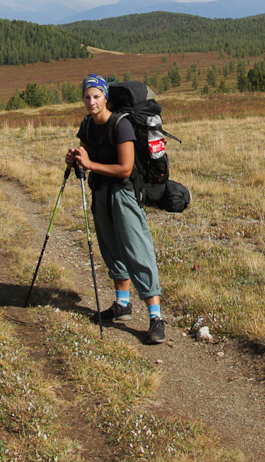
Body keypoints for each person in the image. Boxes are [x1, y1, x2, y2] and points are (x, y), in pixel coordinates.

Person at [67, 74, 167, 344]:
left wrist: (89, 165)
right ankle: (122, 305)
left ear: (105, 97)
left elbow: (125, 167)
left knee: (137, 249)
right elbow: (87, 153)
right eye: (87, 97)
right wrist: (76, 160)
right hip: (101, 192)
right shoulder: (87, 124)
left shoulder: (121, 126)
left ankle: (156, 317)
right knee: (111, 248)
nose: (91, 101)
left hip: (123, 193)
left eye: (96, 96)